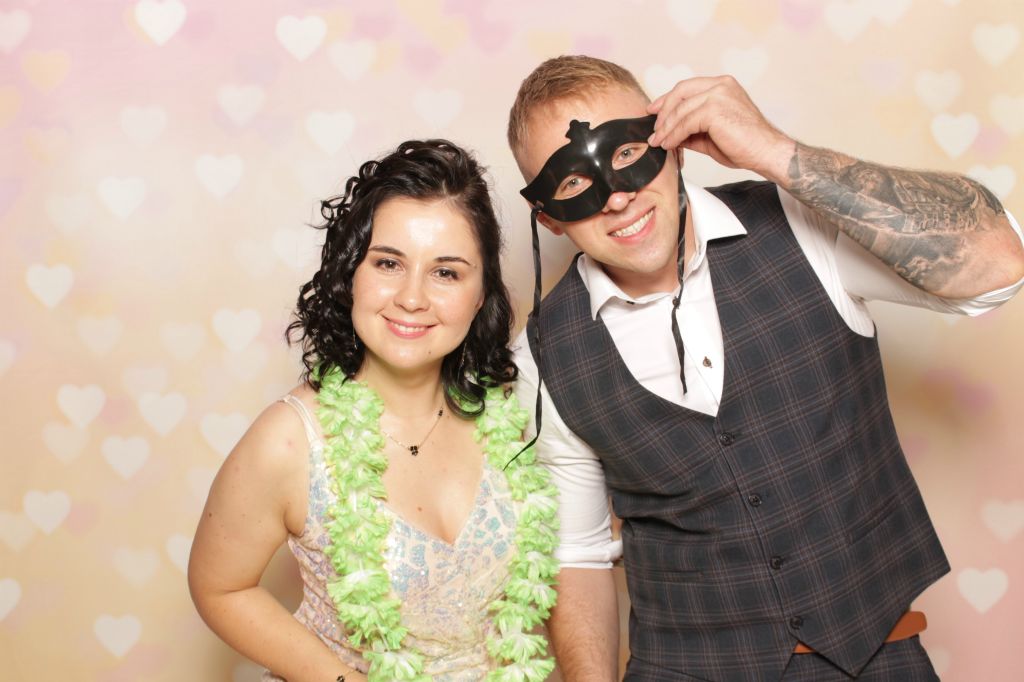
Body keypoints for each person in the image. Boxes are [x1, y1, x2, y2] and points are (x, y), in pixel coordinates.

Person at [507, 55, 1024, 681]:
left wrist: (774, 151)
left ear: (671, 143)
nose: (617, 197)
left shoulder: (803, 224)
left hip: (878, 659)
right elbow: (579, 555)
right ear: (547, 216)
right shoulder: (542, 355)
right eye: (572, 184)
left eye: (627, 154)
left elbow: (999, 262)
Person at [188, 140, 559, 682]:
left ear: (481, 294)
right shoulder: (290, 440)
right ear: (351, 275)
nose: (412, 298)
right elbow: (220, 587)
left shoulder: (517, 415)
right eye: (388, 263)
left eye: (446, 273)